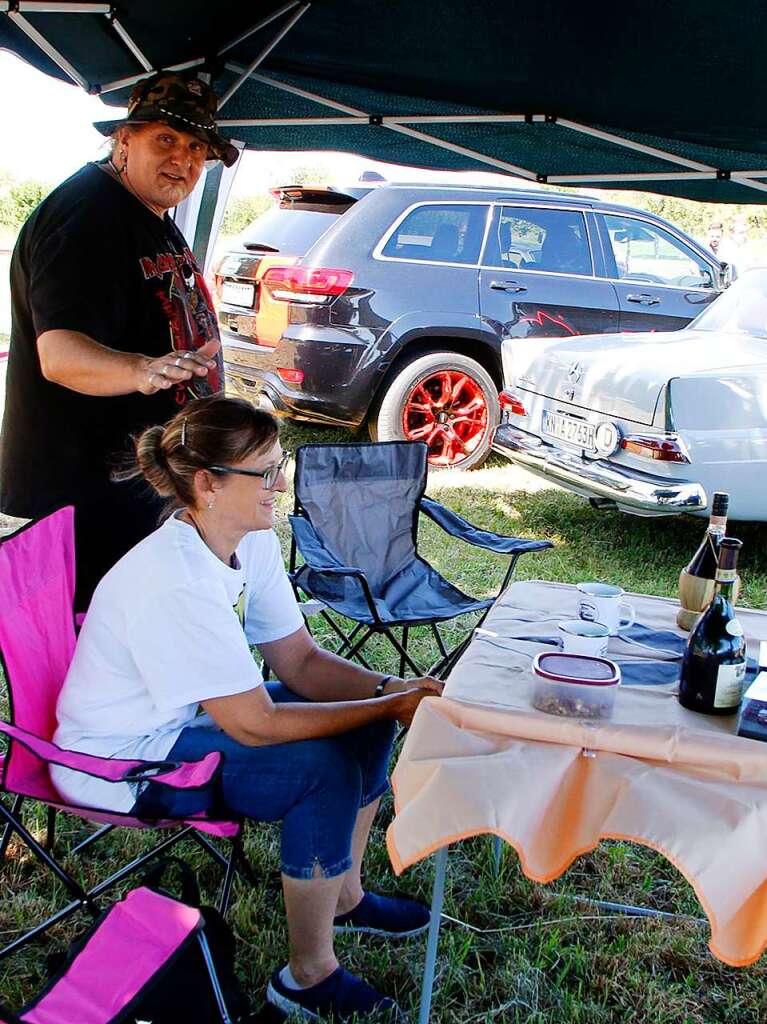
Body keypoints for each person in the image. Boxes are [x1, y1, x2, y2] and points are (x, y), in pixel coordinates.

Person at [51, 394, 444, 1022]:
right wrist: (387, 705)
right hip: (118, 762)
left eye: (277, 464)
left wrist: (388, 689)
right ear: (207, 484)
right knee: (324, 769)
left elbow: (301, 663)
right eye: (264, 473)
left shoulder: (247, 538)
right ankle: (308, 978)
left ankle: (345, 896)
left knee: (365, 729)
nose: (280, 483)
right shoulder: (173, 578)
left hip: (178, 722)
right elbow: (254, 724)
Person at [0, 70, 239, 612]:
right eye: (166, 139)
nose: (182, 158)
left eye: (197, 147)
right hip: (84, 490)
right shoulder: (88, 216)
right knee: (94, 652)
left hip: (134, 479)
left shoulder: (147, 213)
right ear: (123, 139)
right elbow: (59, 355)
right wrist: (143, 369)